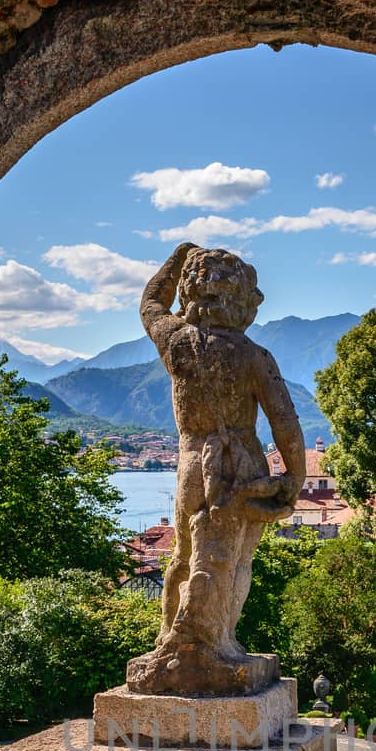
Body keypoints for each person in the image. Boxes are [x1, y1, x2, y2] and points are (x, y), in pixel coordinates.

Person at [127, 243, 306, 696]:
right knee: (233, 557)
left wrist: (177, 257)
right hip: (239, 465)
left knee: (184, 557)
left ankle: (171, 638)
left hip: (190, 463)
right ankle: (216, 644)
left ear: (190, 294)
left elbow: (150, 303)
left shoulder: (176, 341)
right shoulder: (253, 357)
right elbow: (285, 423)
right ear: (245, 303)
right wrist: (294, 478)